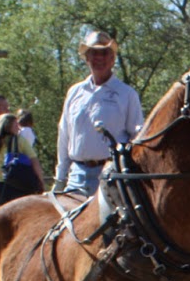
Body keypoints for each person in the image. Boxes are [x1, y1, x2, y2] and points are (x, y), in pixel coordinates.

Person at [53, 30, 143, 196]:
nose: (99, 58)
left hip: (112, 175)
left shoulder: (126, 94)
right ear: (86, 57)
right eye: (94, 53)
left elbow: (137, 138)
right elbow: (64, 135)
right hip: (76, 176)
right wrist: (60, 178)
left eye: (104, 53)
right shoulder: (75, 92)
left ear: (112, 58)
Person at [0, 113, 42, 207]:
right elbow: (34, 161)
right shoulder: (19, 141)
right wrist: (40, 181)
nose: (18, 128)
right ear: (7, 127)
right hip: (19, 185)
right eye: (16, 125)